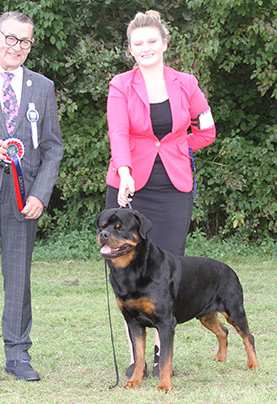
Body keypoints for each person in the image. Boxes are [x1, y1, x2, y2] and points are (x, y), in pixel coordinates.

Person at [105, 10, 216, 377]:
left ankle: (159, 355)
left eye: (153, 41)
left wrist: (175, 147)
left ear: (165, 43)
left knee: (166, 269)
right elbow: (119, 133)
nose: (146, 48)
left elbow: (207, 129)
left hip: (173, 186)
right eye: (139, 43)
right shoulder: (120, 84)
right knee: (126, 275)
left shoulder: (187, 82)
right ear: (130, 49)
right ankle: (136, 357)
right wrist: (124, 172)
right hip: (129, 183)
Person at [0, 11, 63, 384]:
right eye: (11, 39)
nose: (18, 47)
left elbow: (53, 148)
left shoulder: (42, 87)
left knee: (18, 281)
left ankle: (18, 355)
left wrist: (41, 195)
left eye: (25, 41)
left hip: (23, 200)